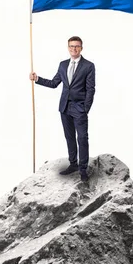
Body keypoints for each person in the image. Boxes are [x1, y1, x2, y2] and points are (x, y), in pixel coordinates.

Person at [29, 36, 96, 181]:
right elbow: (54, 83)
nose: (74, 49)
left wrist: (85, 108)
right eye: (71, 46)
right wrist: (37, 79)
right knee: (69, 137)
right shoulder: (63, 65)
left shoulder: (88, 66)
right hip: (64, 107)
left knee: (82, 138)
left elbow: (91, 89)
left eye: (77, 46)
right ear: (68, 48)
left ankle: (83, 169)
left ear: (81, 48)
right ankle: (73, 164)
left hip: (79, 108)